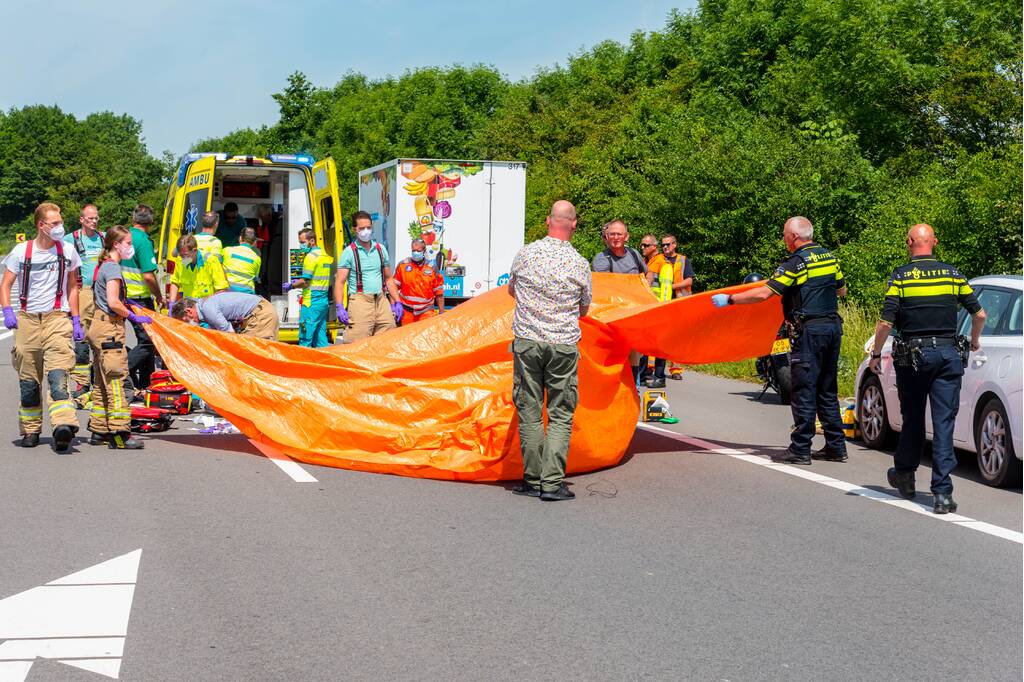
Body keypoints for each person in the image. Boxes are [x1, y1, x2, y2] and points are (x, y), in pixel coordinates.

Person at [867, 224, 986, 514]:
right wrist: (973, 340)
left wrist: (875, 351)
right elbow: (979, 313)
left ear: (909, 243)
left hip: (914, 357)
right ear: (934, 241)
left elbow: (885, 323)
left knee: (914, 420)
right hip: (948, 355)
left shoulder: (901, 276)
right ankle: (943, 494)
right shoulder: (953, 274)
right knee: (944, 424)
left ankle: (905, 476)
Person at [712, 216, 847, 465]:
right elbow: (842, 290)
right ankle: (836, 447)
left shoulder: (796, 262)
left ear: (794, 237)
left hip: (809, 331)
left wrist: (730, 299)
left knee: (804, 390)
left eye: (785, 234)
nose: (784, 239)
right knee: (827, 389)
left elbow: (765, 293)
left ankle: (800, 450)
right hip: (832, 329)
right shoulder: (829, 257)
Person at [508, 200, 592, 502]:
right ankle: (552, 483)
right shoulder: (580, 263)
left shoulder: (526, 253)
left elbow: (511, 290)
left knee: (529, 411)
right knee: (559, 414)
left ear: (547, 221)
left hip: (527, 341)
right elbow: (584, 308)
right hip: (563, 346)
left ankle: (531, 480)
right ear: (573, 224)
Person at [0, 202, 83, 451]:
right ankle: (31, 430)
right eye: (55, 223)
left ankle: (63, 427)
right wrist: (7, 310)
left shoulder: (68, 251)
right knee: (29, 381)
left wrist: (76, 319)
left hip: (56, 318)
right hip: (27, 320)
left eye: (60, 222)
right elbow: (5, 285)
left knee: (58, 375)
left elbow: (72, 286)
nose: (60, 227)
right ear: (41, 225)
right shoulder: (21, 251)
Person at [88, 225, 150, 449]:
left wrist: (127, 305)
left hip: (98, 325)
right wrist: (134, 317)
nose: (130, 247)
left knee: (101, 381)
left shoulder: (103, 265)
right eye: (128, 243)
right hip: (110, 328)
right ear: (116, 244)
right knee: (116, 380)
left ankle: (99, 429)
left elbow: (108, 298)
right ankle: (119, 434)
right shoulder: (112, 268)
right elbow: (113, 302)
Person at [592, 220, 652, 383]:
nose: (616, 237)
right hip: (613, 317)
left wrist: (646, 289)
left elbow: (648, 273)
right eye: (612, 234)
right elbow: (603, 288)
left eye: (619, 234)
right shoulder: (602, 260)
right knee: (615, 355)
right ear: (606, 237)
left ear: (626, 237)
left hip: (634, 314)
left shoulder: (634, 254)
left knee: (633, 352)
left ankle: (633, 386)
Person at [334, 211, 402, 343]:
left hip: (381, 300)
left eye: (369, 227)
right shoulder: (349, 252)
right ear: (355, 230)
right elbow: (340, 282)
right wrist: (339, 306)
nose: (366, 231)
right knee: (357, 343)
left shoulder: (380, 249)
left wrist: (397, 301)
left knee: (388, 339)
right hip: (360, 301)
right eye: (362, 228)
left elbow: (388, 278)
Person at [121, 204, 164, 391]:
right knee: (148, 340)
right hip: (138, 298)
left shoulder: (122, 235)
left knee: (136, 339)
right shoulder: (144, 242)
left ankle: (146, 383)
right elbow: (148, 276)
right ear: (151, 222)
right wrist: (159, 296)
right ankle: (121, 372)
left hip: (119, 296)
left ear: (133, 219)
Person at [64, 204, 104, 401]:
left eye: (96, 218)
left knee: (101, 337)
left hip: (102, 293)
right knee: (81, 339)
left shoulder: (103, 237)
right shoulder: (71, 239)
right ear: (81, 220)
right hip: (82, 293)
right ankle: (81, 382)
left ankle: (98, 378)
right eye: (90, 218)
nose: (94, 221)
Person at [647, 234, 695, 381]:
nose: (665, 247)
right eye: (663, 245)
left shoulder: (683, 260)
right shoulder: (658, 260)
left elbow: (689, 279)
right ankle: (651, 367)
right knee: (657, 336)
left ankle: (676, 369)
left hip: (679, 302)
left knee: (676, 337)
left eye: (668, 244)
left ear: (675, 245)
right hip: (661, 303)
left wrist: (671, 286)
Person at [284, 228, 333, 347]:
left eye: (302, 242)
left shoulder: (310, 257)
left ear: (311, 241)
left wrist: (292, 285)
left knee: (305, 338)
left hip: (310, 303)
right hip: (323, 303)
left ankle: (303, 364)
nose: (301, 245)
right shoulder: (323, 255)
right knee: (321, 339)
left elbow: (305, 282)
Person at [171, 291, 279, 341]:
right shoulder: (205, 308)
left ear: (189, 311)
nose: (188, 324)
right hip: (259, 312)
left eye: (185, 321)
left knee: (253, 352)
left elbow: (229, 334)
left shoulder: (208, 309)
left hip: (261, 314)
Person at [393, 238, 445, 325]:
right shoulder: (403, 265)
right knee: (406, 336)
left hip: (426, 311)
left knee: (425, 336)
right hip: (407, 310)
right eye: (413, 250)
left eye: (418, 250)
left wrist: (441, 312)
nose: (415, 253)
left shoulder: (432, 268)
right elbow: (393, 288)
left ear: (424, 251)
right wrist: (394, 305)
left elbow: (439, 292)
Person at [167, 234, 229, 305]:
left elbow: (222, 290)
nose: (183, 258)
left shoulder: (211, 261)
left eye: (185, 255)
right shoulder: (181, 260)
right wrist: (171, 303)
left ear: (195, 250)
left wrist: (201, 303)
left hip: (208, 308)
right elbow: (175, 282)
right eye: (181, 255)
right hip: (189, 309)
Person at [222, 227, 262, 294]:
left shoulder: (227, 250)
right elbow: (256, 278)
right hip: (247, 294)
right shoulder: (257, 258)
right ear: (255, 242)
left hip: (227, 291)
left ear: (240, 238)